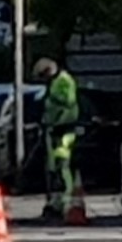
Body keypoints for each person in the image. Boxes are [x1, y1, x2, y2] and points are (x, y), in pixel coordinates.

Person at [38, 56, 85, 224]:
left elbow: (69, 101)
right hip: (56, 128)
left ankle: (66, 201)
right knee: (54, 168)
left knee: (62, 166)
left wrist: (53, 101)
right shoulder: (55, 82)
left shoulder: (64, 81)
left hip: (65, 128)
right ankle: (57, 202)